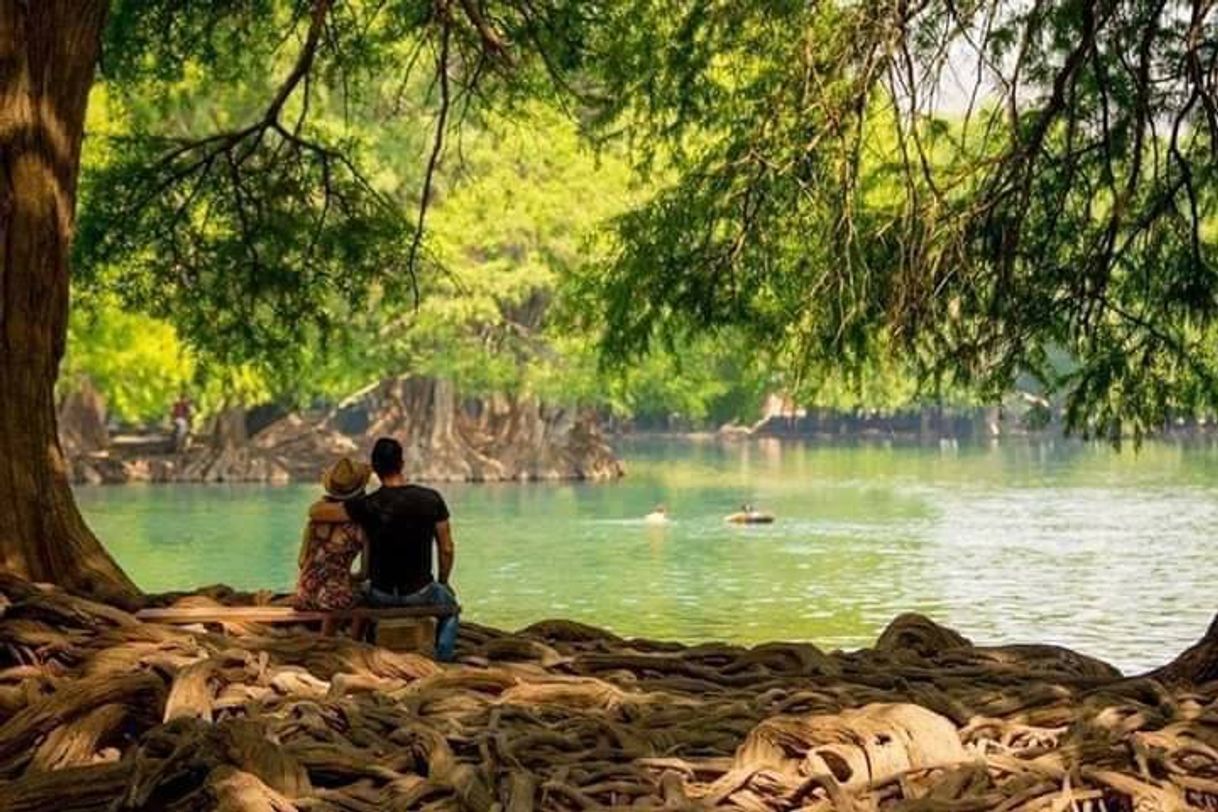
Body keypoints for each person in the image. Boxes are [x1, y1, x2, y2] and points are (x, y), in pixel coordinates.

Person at [310, 437, 459, 661]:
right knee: (451, 608)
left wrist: (338, 497)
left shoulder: (367, 505)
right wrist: (443, 580)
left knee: (361, 593)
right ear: (402, 463)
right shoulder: (431, 499)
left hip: (380, 594)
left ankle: (366, 652)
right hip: (420, 592)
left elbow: (316, 512)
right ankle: (444, 659)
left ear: (375, 470)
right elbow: (446, 548)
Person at [295, 457, 370, 612]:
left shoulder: (315, 519)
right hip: (333, 598)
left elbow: (302, 561)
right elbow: (364, 573)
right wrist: (345, 578)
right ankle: (354, 635)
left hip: (304, 594)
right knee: (366, 595)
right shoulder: (362, 527)